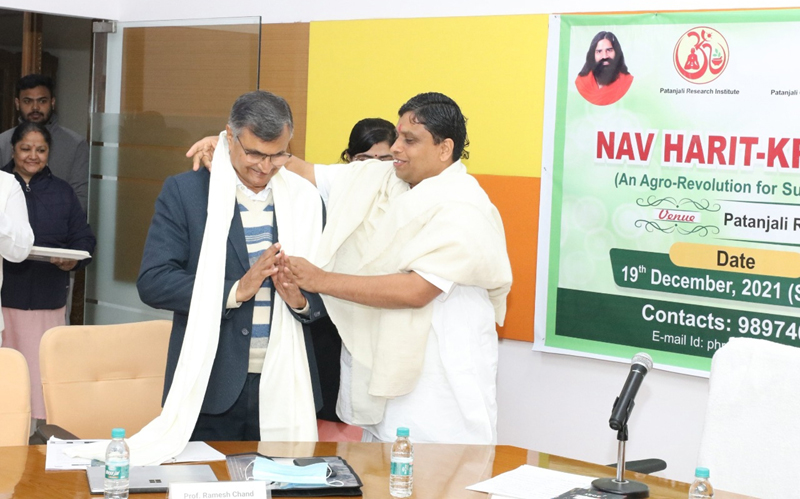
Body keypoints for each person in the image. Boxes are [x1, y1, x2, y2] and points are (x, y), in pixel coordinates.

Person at [187, 92, 513, 444]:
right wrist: (225, 145)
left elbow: (417, 290)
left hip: (438, 376)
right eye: (399, 136)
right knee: (381, 472)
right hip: (382, 365)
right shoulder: (378, 178)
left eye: (410, 140)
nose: (397, 148)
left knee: (439, 476)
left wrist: (322, 280)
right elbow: (299, 168)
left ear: (444, 148)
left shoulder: (463, 205)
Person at [137, 90, 328, 444]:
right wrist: (234, 290)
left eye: (278, 155)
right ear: (229, 136)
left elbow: (329, 293)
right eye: (254, 152)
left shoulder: (306, 200)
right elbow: (154, 281)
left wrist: (300, 300)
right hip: (210, 389)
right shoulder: (188, 192)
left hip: (288, 387)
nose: (265, 166)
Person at [0, 121, 95, 423]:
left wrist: (73, 261)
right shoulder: (2, 188)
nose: (33, 156)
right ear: (13, 149)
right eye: (25, 148)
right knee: (10, 373)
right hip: (6, 298)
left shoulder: (62, 192)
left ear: (49, 153)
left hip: (48, 298)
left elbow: (84, 239)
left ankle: (41, 432)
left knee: (43, 373)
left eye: (40, 150)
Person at [0, 75, 90, 212]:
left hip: (58, 229)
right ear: (17, 103)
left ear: (52, 102)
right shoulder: (3, 142)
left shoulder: (75, 144)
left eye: (42, 101)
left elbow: (80, 199)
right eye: (27, 101)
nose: (35, 107)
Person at [574, 31, 633, 106]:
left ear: (617, 53)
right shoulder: (581, 83)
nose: (604, 56)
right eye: (599, 51)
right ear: (593, 55)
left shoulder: (628, 82)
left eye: (609, 50)